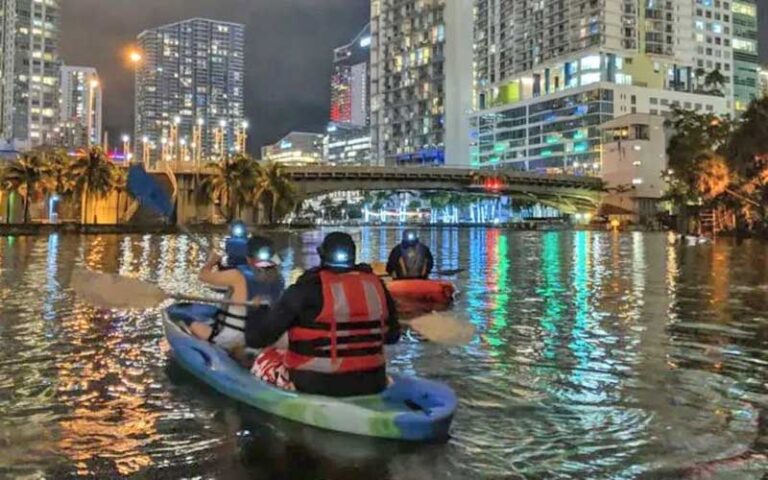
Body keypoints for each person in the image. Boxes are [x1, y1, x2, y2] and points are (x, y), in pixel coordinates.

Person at [245, 232, 401, 397]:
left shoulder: (304, 289)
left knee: (265, 358)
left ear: (321, 255)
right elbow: (392, 336)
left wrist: (258, 311)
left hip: (316, 383)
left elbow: (258, 339)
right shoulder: (377, 287)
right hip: (373, 381)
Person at [190, 235, 285, 355]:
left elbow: (203, 276)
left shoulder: (236, 275)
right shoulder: (279, 279)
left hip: (234, 339)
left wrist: (211, 261)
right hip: (262, 338)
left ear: (248, 258)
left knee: (194, 325)